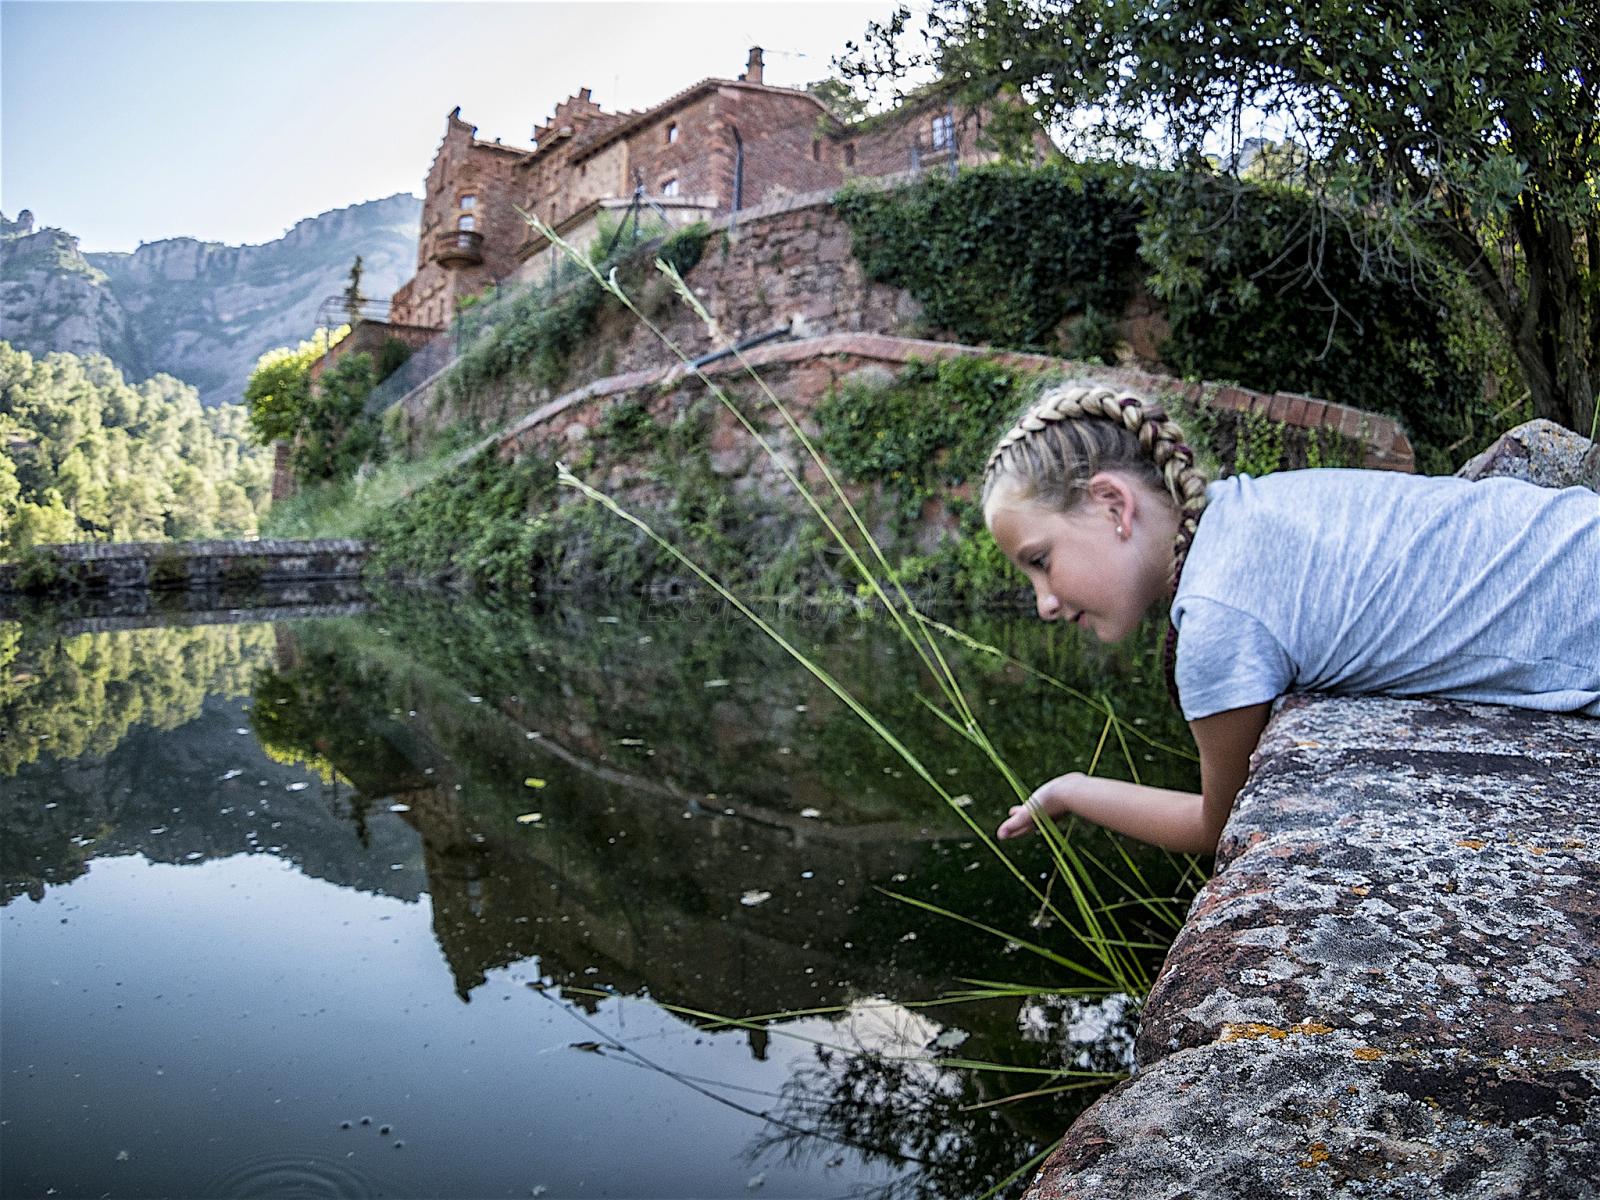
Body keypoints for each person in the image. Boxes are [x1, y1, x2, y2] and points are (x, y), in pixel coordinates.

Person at [983, 381, 1600, 855]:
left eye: (1041, 560)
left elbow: (1217, 825)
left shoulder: (1216, 619)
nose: (1044, 603)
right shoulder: (1256, 505)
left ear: (1113, 503)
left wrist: (1071, 790)